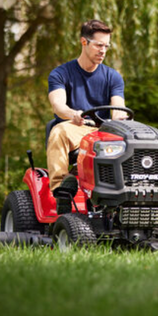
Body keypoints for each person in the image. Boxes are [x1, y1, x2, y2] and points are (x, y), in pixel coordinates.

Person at [47, 19, 128, 192]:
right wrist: (73, 114)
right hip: (76, 127)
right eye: (99, 45)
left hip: (105, 132)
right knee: (59, 131)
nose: (103, 51)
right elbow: (58, 106)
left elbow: (118, 109)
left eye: (106, 46)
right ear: (84, 42)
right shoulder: (60, 74)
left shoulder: (113, 77)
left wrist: (122, 119)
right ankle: (61, 189)